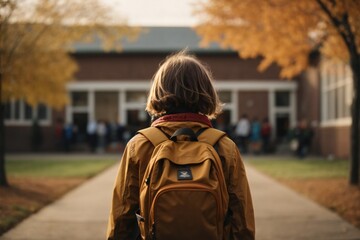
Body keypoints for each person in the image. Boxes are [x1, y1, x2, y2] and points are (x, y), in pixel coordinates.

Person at [106, 52, 255, 240]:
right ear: (206, 91)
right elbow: (242, 219)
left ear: (158, 91)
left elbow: (121, 215)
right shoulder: (224, 146)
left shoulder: (141, 144)